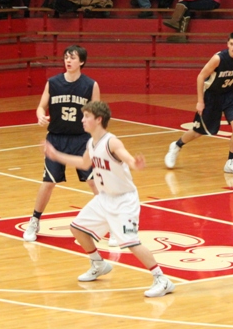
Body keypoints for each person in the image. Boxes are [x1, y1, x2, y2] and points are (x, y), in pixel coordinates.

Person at [43, 100, 175, 298]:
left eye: (86, 116)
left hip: (124, 201)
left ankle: (162, 280)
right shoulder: (91, 143)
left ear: (99, 119)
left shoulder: (111, 142)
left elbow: (126, 157)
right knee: (76, 228)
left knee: (131, 243)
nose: (82, 120)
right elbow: (83, 163)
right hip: (104, 198)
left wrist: (135, 164)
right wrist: (56, 155)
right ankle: (98, 264)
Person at [23, 45, 100, 242]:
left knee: (94, 182)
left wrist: (94, 131)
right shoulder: (53, 83)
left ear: (81, 61)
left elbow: (97, 113)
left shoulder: (91, 85)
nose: (68, 60)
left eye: (72, 57)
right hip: (56, 138)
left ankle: (112, 223)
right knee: (48, 182)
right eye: (66, 57)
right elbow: (41, 106)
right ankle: (34, 220)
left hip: (81, 140)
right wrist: (40, 115)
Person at [164, 32, 233, 175]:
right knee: (199, 131)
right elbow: (201, 76)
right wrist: (200, 101)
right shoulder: (218, 58)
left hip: (229, 95)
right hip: (211, 96)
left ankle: (231, 162)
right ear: (227, 44)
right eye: (231, 44)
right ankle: (177, 145)